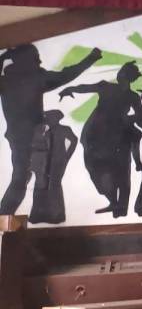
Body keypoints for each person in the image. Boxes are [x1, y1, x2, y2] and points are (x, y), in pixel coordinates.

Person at [0, 44, 101, 215]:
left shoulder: (5, 81)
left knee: (21, 178)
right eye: (36, 58)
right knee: (26, 179)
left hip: (17, 137)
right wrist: (91, 58)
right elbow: (67, 74)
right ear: (28, 60)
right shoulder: (36, 77)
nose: (39, 61)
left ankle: (4, 216)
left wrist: (3, 57)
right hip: (34, 137)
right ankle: (4, 217)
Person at [60, 61, 142, 216]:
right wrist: (69, 89)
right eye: (120, 71)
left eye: (123, 72)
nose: (119, 74)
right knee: (95, 167)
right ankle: (113, 202)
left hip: (117, 134)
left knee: (122, 170)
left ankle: (120, 208)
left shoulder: (132, 96)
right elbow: (85, 88)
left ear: (128, 76)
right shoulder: (106, 86)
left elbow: (140, 115)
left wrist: (126, 119)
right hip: (96, 134)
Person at [28, 111, 77, 225]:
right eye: (47, 118)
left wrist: (67, 156)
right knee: (40, 186)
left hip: (57, 162)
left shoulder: (64, 129)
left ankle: (57, 216)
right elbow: (35, 146)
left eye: (50, 118)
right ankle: (38, 215)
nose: (48, 120)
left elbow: (74, 140)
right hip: (44, 163)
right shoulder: (44, 131)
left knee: (54, 186)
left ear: (57, 119)